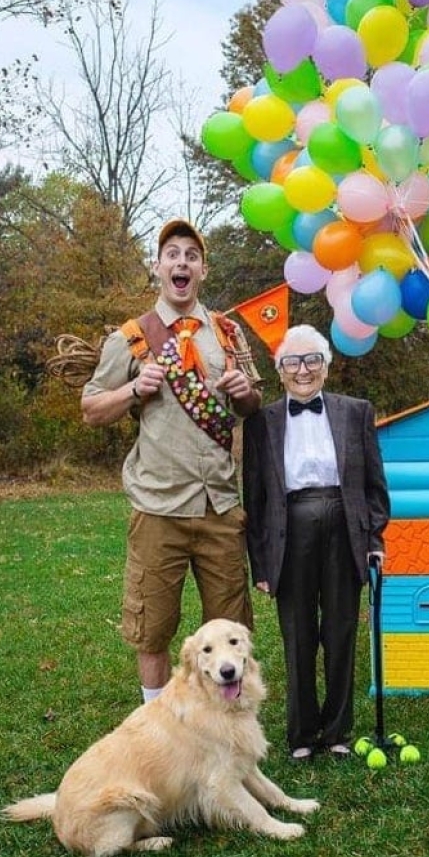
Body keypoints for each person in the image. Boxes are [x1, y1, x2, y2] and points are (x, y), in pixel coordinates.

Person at [82, 219, 262, 704]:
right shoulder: (131, 337)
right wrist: (130, 389)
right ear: (158, 267)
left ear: (203, 269)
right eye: (172, 254)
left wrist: (246, 393)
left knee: (230, 630)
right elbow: (91, 407)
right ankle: (157, 732)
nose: (181, 262)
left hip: (220, 506)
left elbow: (252, 403)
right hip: (158, 506)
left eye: (191, 255)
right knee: (153, 629)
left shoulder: (227, 332)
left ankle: (227, 731)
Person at [242, 323, 390, 760]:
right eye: (292, 361)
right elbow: (256, 495)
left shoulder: (357, 411)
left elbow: (373, 484)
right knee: (298, 634)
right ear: (279, 370)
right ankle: (303, 734)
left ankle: (338, 731)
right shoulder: (260, 422)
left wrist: (374, 537)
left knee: (342, 630)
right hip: (290, 530)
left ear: (326, 367)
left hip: (346, 527)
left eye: (311, 360)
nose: (302, 370)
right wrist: (262, 564)